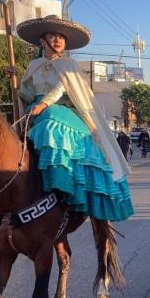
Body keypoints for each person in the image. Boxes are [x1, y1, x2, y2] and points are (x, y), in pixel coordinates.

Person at [16, 15, 133, 225]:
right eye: (53, 36)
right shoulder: (33, 66)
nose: (58, 40)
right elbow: (25, 93)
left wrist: (44, 104)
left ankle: (61, 184)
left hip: (63, 108)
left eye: (61, 37)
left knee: (51, 122)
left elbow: (61, 88)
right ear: (43, 41)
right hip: (36, 109)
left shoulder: (69, 65)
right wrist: (16, 85)